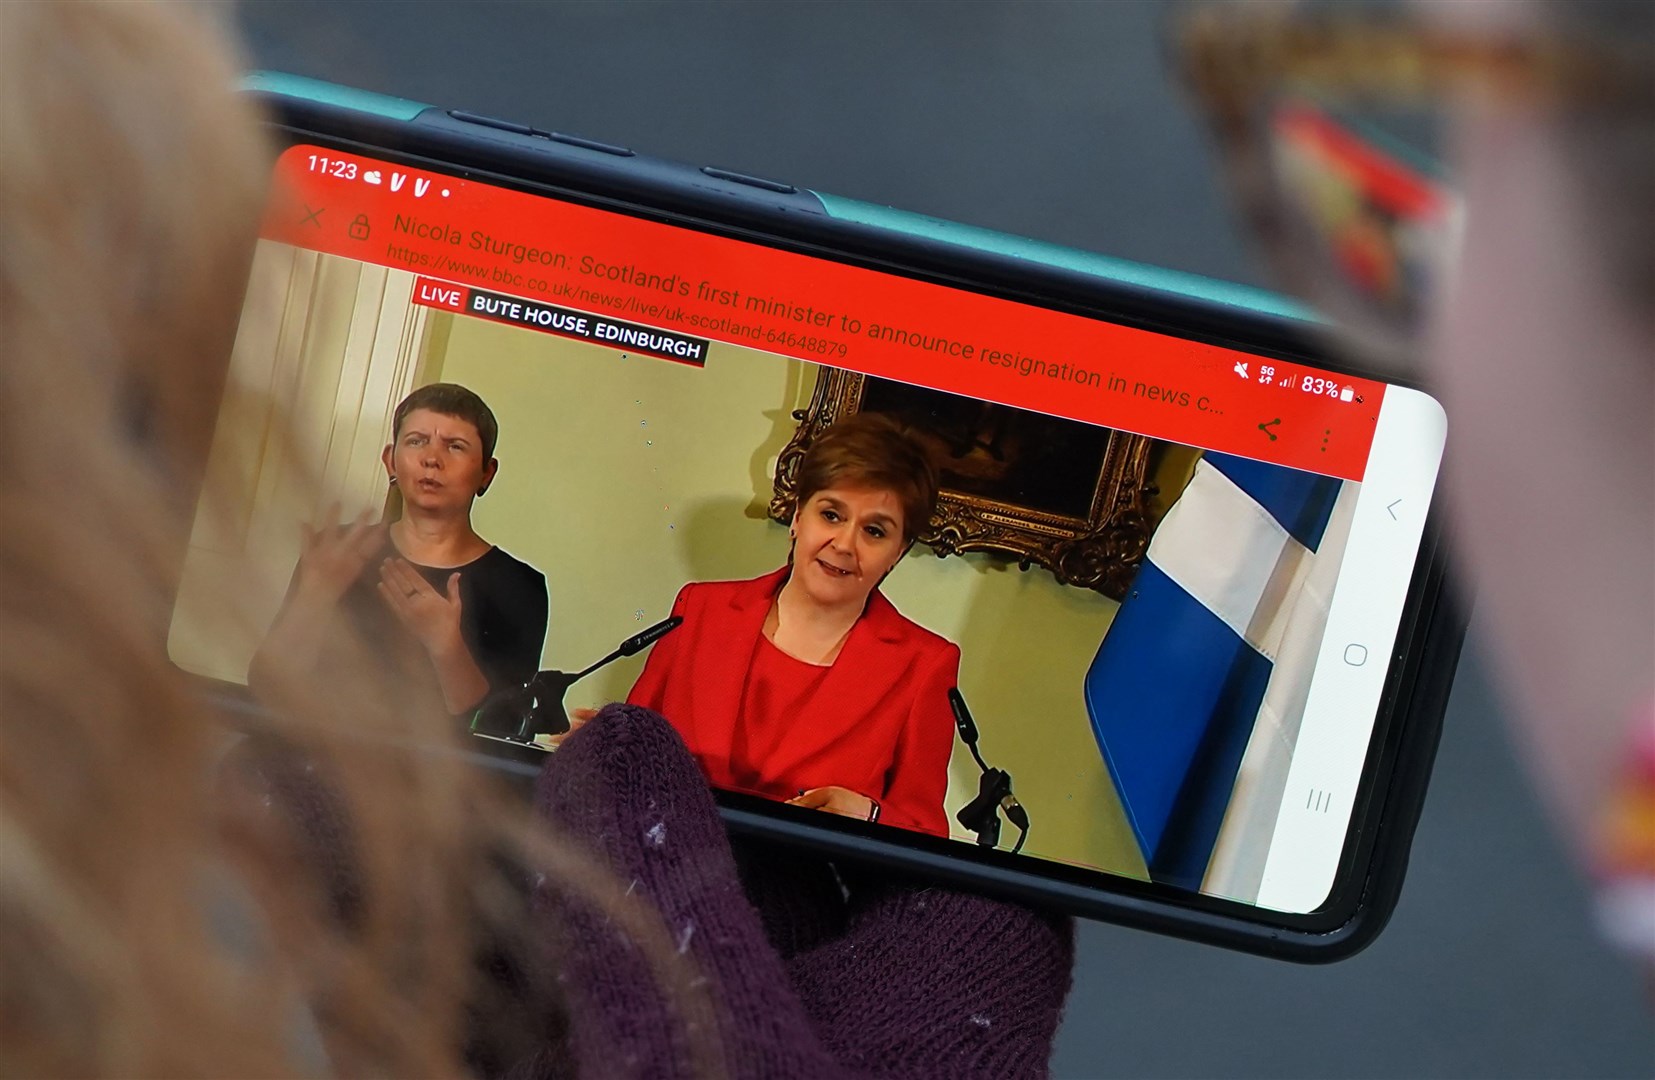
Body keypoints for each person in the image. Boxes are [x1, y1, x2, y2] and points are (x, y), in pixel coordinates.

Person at [624, 412, 961, 837]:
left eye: (874, 531)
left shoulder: (924, 665)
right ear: (799, 515)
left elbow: (924, 832)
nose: (844, 544)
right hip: (658, 867)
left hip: (808, 890)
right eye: (831, 515)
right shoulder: (700, 609)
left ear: (899, 551)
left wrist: (869, 815)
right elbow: (633, 745)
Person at [250, 382, 548, 715]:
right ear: (391, 461)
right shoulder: (338, 552)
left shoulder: (520, 587)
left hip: (432, 768)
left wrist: (447, 646)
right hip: (312, 756)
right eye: (417, 441)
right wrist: (314, 598)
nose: (432, 459)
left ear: (486, 473)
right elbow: (266, 687)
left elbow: (500, 733)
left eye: (456, 446)